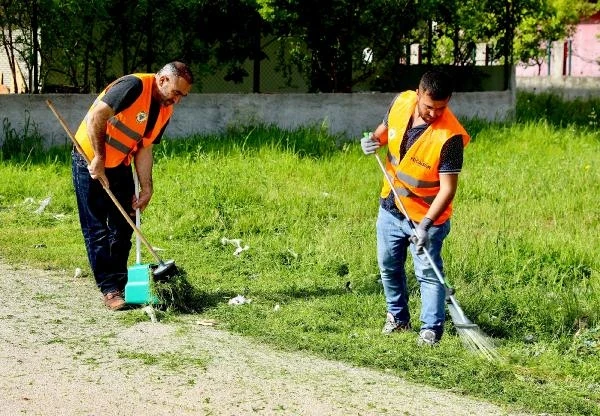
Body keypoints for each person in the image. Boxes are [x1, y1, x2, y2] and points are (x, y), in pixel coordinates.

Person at [72, 61, 193, 310]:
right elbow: (97, 117)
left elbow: (144, 148)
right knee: (96, 228)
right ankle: (110, 289)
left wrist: (147, 187)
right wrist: (99, 160)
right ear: (162, 81)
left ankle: (120, 281)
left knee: (125, 224)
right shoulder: (133, 86)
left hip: (120, 164)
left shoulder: (164, 108)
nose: (178, 100)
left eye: (183, 96)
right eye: (176, 93)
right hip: (90, 159)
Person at [360, 70, 470, 345]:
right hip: (391, 205)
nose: (434, 113)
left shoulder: (450, 137)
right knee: (389, 266)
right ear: (418, 94)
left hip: (426, 219)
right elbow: (383, 135)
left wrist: (425, 226)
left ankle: (430, 330)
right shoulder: (401, 102)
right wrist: (371, 141)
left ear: (449, 101)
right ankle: (397, 319)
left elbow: (448, 189)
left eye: (441, 108)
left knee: (428, 274)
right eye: (429, 106)